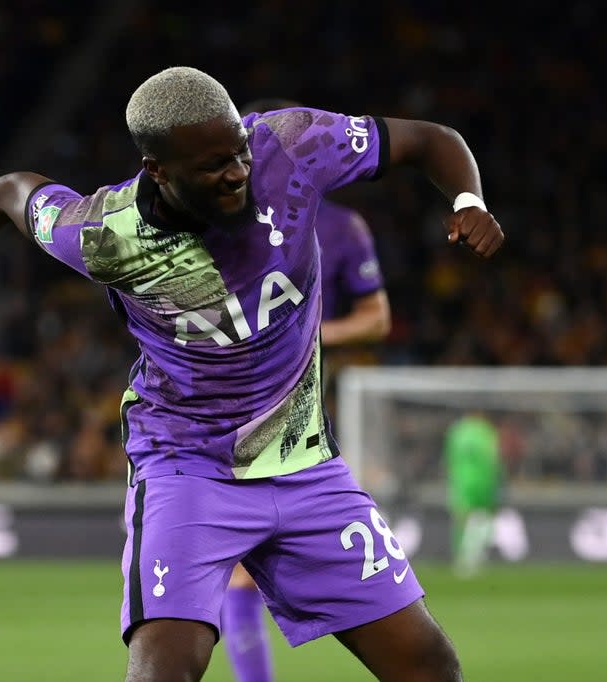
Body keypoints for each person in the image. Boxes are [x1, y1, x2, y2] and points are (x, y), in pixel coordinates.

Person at [0, 67, 503, 681]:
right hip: (188, 469)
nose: (237, 172)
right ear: (157, 170)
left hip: (305, 465)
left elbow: (428, 140)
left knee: (429, 665)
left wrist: (469, 198)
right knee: (166, 668)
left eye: (239, 153)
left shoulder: (292, 146)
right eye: (214, 164)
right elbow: (6, 194)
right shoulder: (104, 233)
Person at [216, 98, 394, 682]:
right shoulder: (217, 221)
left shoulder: (343, 227)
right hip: (242, 403)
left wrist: (309, 328)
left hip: (317, 400)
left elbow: (377, 319)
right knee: (241, 570)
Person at [443, 412, 503, 577]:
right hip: (483, 481)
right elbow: (493, 457)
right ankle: (474, 557)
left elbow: (449, 458)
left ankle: (463, 559)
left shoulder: (457, 431)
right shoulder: (486, 431)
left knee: (462, 518)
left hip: (461, 480)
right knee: (482, 517)